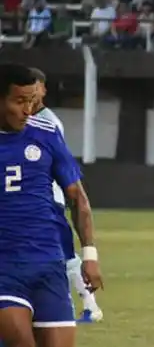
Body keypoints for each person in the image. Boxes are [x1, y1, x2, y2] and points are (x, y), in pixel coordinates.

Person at [0, 63, 103, 347]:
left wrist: (90, 255)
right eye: (20, 101)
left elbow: (78, 196)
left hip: (48, 262)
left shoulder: (46, 134)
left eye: (33, 101)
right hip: (4, 263)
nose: (28, 110)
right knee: (22, 345)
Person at [29, 68, 104, 323]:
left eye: (36, 87)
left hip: (51, 198)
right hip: (41, 200)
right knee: (64, 256)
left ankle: (90, 306)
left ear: (43, 90)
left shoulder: (48, 122)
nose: (31, 93)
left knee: (67, 256)